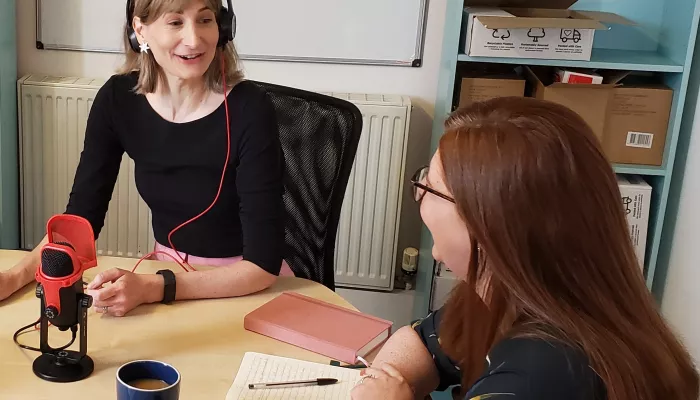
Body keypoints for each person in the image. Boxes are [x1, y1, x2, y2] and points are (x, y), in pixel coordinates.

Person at [351, 97, 699, 400]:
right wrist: (384, 379)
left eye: (432, 186)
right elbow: (421, 343)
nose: (420, 192)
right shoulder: (512, 294)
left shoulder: (545, 377)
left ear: (487, 226)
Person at [0, 0, 290, 316]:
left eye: (205, 20)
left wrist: (153, 288)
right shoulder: (117, 101)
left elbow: (262, 266)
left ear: (223, 28)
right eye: (176, 22)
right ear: (140, 30)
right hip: (165, 279)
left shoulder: (251, 109)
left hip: (242, 287)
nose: (194, 40)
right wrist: (11, 278)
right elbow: (79, 223)